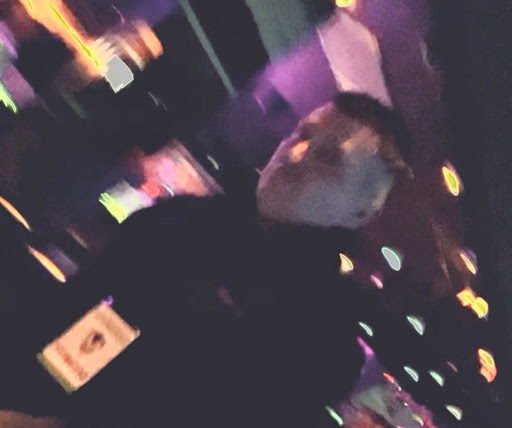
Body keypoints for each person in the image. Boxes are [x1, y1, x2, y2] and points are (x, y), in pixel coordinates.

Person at [0, 92, 411, 427]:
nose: (297, 153)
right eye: (302, 133)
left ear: (362, 212)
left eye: (330, 159)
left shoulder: (321, 345)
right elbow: (68, 311)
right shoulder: (180, 219)